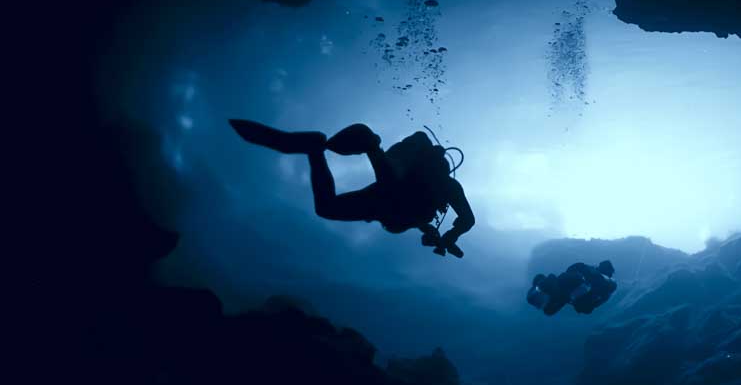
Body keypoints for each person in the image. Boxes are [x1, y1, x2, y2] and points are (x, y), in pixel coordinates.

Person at [230, 120, 474, 257]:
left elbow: (463, 220)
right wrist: (449, 236)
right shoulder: (448, 186)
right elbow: (467, 219)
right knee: (329, 206)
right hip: (389, 199)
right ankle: (336, 147)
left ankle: (327, 148)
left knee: (332, 205)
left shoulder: (439, 188)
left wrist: (441, 235)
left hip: (385, 196)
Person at [527, 260, 616, 316]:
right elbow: (550, 310)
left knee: (584, 307)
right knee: (584, 307)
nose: (542, 304)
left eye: (540, 301)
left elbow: (585, 284)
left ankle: (600, 271)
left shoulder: (561, 282)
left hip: (590, 283)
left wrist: (572, 297)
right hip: (587, 285)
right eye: (538, 304)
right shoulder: (553, 295)